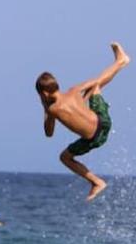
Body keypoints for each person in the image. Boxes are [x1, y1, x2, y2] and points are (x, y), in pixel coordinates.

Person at [36, 42, 130, 201]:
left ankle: (96, 182)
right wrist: (83, 100)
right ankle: (121, 62)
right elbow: (95, 81)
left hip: (94, 139)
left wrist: (45, 109)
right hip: (104, 120)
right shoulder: (73, 91)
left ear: (44, 94)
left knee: (64, 158)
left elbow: (49, 133)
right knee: (96, 85)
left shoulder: (52, 110)